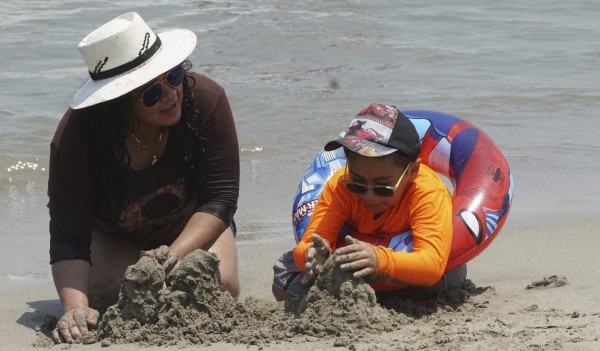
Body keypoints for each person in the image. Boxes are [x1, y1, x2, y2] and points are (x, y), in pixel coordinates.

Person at [48, 12, 240, 344]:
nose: (171, 95)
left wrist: (172, 255)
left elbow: (220, 199)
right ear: (119, 104)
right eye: (152, 93)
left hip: (194, 225)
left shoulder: (208, 101)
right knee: (108, 296)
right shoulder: (75, 139)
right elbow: (69, 236)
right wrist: (74, 308)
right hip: (117, 236)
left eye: (175, 76)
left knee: (220, 287)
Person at [272, 103, 466, 301]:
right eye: (358, 184)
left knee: (441, 277)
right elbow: (311, 242)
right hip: (354, 263)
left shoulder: (426, 192)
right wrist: (312, 256)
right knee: (284, 275)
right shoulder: (340, 185)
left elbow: (432, 263)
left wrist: (380, 260)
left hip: (400, 265)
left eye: (383, 187)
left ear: (412, 171)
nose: (369, 196)